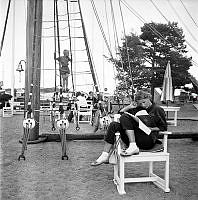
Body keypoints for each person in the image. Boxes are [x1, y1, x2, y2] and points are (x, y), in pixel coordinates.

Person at [91, 90, 167, 166]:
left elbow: (163, 127)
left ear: (149, 98)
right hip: (136, 138)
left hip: (148, 139)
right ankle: (105, 155)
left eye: (144, 102)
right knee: (114, 124)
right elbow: (120, 114)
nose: (143, 105)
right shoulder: (138, 108)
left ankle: (133, 146)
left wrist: (151, 128)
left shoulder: (157, 109)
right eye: (140, 103)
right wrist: (129, 107)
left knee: (125, 116)